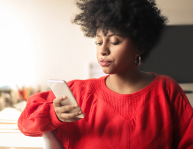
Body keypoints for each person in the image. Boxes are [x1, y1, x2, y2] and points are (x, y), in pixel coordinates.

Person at [18, 0, 193, 148]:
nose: (103, 50)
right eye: (98, 41)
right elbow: (25, 122)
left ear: (138, 47)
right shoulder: (77, 93)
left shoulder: (166, 90)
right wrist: (53, 115)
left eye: (115, 41)